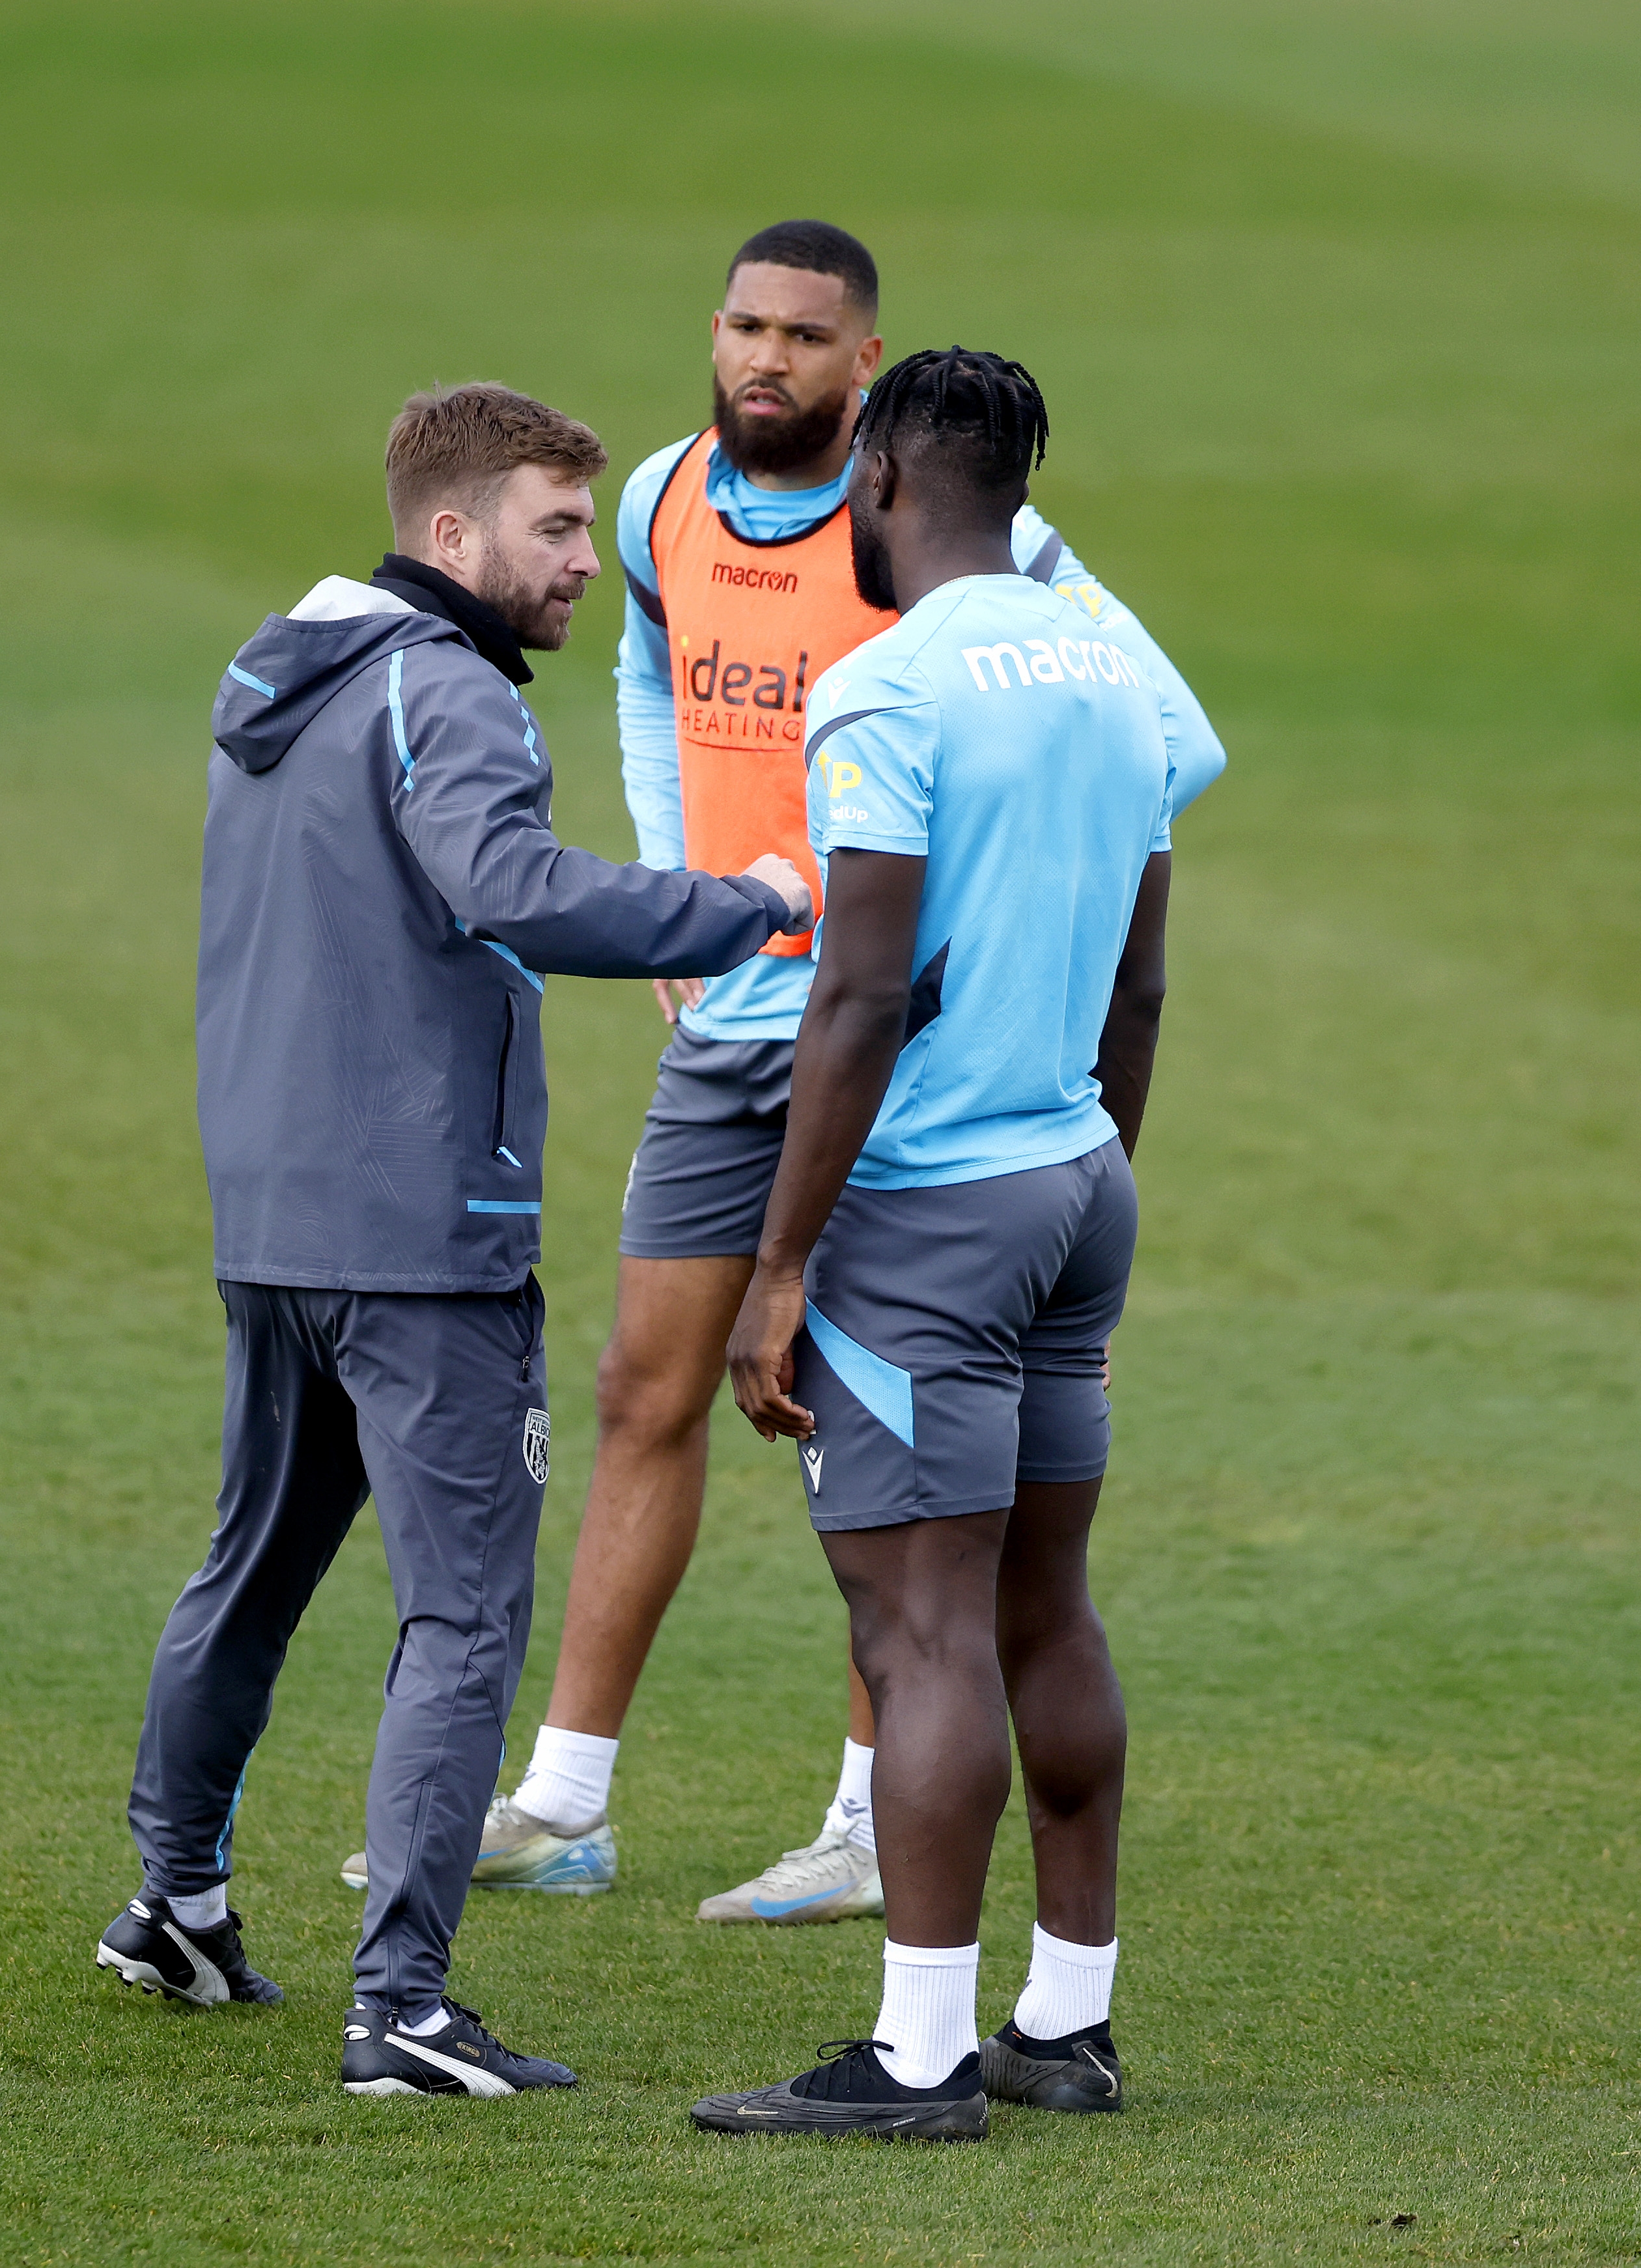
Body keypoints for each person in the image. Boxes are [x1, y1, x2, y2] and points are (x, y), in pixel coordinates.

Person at [442, 221, 1225, 1927]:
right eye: (741, 325)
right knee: (648, 1384)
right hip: (735, 1017)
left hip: (884, 1043)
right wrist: (678, 901)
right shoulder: (656, 503)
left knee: (872, 1440)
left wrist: (1009, 923)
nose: (763, 360)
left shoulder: (966, 547)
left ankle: (875, 1824)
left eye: (804, 336)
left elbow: (1164, 731)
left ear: (867, 377)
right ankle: (564, 1799)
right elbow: (654, 680)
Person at [92, 383, 813, 2103]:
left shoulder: (284, 678)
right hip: (424, 1230)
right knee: (468, 1619)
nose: (587, 561)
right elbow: (511, 886)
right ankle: (402, 2010)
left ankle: (174, 1903)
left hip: (274, 1215)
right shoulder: (448, 690)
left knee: (250, 1568)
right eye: (555, 529)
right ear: (451, 535)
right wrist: (753, 905)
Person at [688, 348, 1179, 2140]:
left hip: (930, 1218)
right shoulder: (1124, 684)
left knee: (919, 1631)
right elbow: (1139, 983)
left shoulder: (885, 689)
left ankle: (915, 2063)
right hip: (1075, 1184)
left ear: (884, 476)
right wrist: (1086, 1191)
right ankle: (1067, 2021)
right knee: (1042, 1602)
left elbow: (861, 992)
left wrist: (782, 1262)